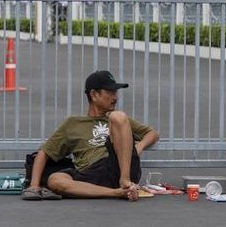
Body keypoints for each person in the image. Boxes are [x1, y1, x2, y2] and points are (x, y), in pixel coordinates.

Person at [22, 70, 159, 201]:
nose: (115, 97)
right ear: (94, 95)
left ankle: (125, 182)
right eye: (110, 92)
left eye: (115, 92)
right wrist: (34, 185)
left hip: (120, 166)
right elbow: (44, 153)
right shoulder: (73, 123)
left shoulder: (117, 119)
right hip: (91, 172)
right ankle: (117, 192)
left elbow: (152, 133)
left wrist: (137, 148)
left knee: (118, 116)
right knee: (55, 180)